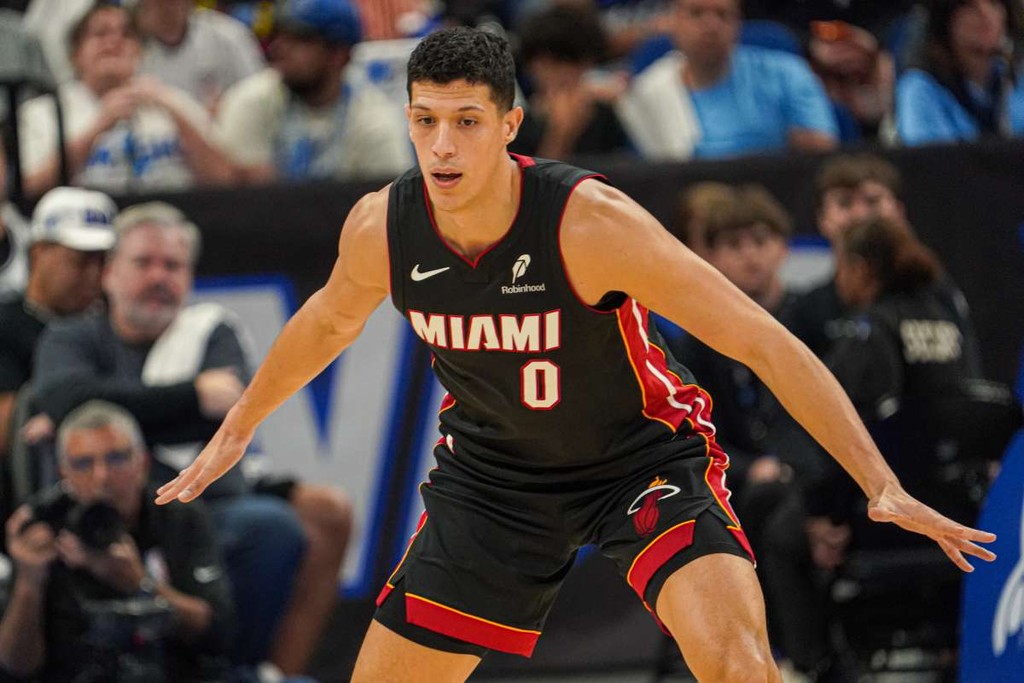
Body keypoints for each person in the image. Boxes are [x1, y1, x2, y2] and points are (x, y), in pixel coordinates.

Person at [156, 28, 996, 682]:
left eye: (466, 122)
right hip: (493, 479)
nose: (441, 146)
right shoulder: (384, 226)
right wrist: (240, 424)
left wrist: (879, 482)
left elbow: (763, 340)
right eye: (424, 121)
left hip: (638, 459)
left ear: (509, 125)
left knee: (739, 665)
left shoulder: (589, 223)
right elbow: (327, 321)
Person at [29, 202, 349, 676]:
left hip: (207, 504)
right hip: (110, 509)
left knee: (277, 525)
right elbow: (64, 397)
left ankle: (255, 672)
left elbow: (223, 421)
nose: (159, 277)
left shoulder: (212, 332)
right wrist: (191, 397)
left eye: (173, 266)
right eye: (144, 262)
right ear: (110, 273)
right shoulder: (72, 337)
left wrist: (105, 411)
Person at [0, 400, 234, 682]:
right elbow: (17, 668)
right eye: (83, 463)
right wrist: (29, 581)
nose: (102, 476)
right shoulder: (44, 530)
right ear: (64, 473)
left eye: (116, 458)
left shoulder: (178, 516)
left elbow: (217, 634)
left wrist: (139, 583)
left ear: (142, 463)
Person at [782, 152, 981, 372]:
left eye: (872, 201)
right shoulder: (805, 312)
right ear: (823, 219)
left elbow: (967, 379)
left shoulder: (938, 298)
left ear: (898, 212)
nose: (860, 215)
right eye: (845, 203)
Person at [17, 2, 234, 197]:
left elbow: (225, 179)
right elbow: (30, 188)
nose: (114, 41)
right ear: (75, 54)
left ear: (141, 52)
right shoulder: (44, 112)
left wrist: (175, 113)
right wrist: (98, 127)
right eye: (100, 34)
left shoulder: (174, 101)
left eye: (126, 34)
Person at [215, 0, 413, 183]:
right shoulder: (252, 100)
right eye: (280, 35)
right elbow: (236, 191)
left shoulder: (373, 120)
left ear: (338, 55)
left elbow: (389, 199)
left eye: (299, 39)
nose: (280, 48)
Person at [617, 0, 839, 160]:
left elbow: (823, 153)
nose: (711, 26)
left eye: (723, 15)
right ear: (673, 21)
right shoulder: (648, 91)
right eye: (696, 13)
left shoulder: (788, 74)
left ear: (738, 23)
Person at [509, 3, 632, 161]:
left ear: (586, 64)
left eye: (568, 63)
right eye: (548, 65)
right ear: (531, 66)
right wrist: (560, 133)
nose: (559, 74)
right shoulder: (517, 124)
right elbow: (530, 175)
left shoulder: (605, 116)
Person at [896, 0, 1024, 146]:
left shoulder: (1014, 76)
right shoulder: (920, 88)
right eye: (969, 6)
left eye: (994, 3)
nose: (986, 14)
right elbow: (928, 154)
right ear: (945, 19)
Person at [134, 0, 266, 113]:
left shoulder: (228, 35)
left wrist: (229, 109)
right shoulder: (134, 50)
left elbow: (261, 95)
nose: (167, 7)